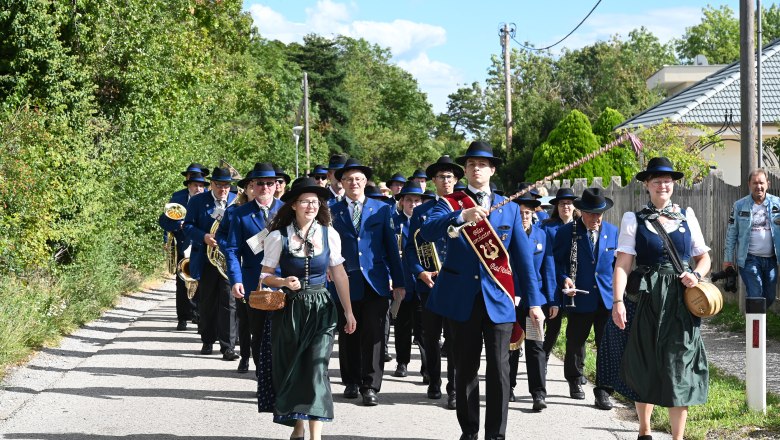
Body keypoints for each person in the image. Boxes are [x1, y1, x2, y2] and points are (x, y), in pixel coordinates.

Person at [420, 141, 542, 440]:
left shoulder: (510, 208)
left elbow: (524, 260)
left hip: (499, 299)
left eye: (483, 164)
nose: (477, 169)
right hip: (461, 300)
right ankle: (470, 432)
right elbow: (426, 233)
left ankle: (496, 435)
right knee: (465, 369)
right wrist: (462, 217)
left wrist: (534, 303)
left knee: (500, 370)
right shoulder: (450, 203)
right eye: (472, 164)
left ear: (492, 170)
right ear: (466, 170)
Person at [610, 157, 711, 440]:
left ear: (673, 185)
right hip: (647, 300)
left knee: (681, 360)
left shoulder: (687, 216)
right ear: (647, 185)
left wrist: (697, 276)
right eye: (657, 180)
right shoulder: (634, 219)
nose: (663, 185)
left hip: (681, 301)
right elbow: (623, 264)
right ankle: (645, 429)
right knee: (646, 360)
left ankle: (678, 437)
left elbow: (703, 258)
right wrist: (618, 301)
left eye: (668, 180)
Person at [260, 176, 357, 440]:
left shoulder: (329, 234)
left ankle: (316, 435)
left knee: (316, 367)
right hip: (289, 310)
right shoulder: (278, 237)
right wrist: (282, 281)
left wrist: (348, 311)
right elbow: (265, 276)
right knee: (293, 367)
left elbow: (339, 275)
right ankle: (298, 425)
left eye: (315, 202)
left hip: (321, 308)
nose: (311, 206)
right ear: (293, 205)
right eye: (305, 201)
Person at [330, 158, 406, 406]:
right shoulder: (332, 210)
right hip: (345, 281)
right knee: (348, 330)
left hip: (376, 280)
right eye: (349, 179)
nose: (354, 183)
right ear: (341, 182)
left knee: (374, 334)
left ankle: (370, 385)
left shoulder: (381, 208)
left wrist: (399, 281)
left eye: (359, 179)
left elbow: (391, 248)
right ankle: (351, 380)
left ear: (365, 182)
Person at [552, 188, 618, 411]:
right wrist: (564, 280)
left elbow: (619, 266)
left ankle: (604, 391)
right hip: (579, 297)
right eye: (591, 214)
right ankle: (575, 379)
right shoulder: (566, 232)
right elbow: (557, 264)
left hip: (606, 298)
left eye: (599, 213)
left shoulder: (613, 232)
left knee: (606, 346)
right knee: (575, 342)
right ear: (581, 212)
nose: (596, 218)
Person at [406, 155, 462, 409]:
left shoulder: (464, 207)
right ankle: (434, 382)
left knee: (453, 338)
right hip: (428, 283)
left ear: (457, 180)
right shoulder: (421, 212)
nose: (446, 181)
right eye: (441, 177)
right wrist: (420, 272)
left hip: (455, 284)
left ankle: (453, 388)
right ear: (433, 181)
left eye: (450, 176)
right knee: (431, 336)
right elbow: (410, 248)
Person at [223, 162, 282, 374]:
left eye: (269, 183)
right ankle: (262, 375)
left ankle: (279, 377)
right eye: (260, 183)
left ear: (276, 185)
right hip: (252, 282)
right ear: (252, 186)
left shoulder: (288, 210)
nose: (264, 187)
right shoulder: (240, 214)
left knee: (281, 333)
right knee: (257, 333)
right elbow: (231, 250)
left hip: (283, 280)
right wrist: (235, 279)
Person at [183, 166, 239, 359]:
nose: (223, 189)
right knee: (207, 300)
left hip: (227, 259)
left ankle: (228, 346)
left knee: (228, 301)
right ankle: (207, 339)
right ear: (212, 185)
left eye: (226, 186)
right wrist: (203, 236)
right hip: (206, 258)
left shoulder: (236, 201)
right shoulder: (199, 201)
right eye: (219, 185)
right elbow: (187, 226)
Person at [508, 192, 556, 411]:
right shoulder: (506, 235)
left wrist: (552, 299)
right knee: (510, 346)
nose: (524, 216)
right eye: (520, 213)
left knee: (536, 347)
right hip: (510, 298)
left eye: (528, 213)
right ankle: (507, 387)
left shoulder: (541, 235)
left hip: (534, 300)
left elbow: (548, 269)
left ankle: (538, 394)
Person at [158, 168, 209, 330]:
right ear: (188, 186)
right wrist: (177, 225)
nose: (198, 189)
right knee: (182, 283)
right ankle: (183, 317)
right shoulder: (178, 198)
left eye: (201, 186)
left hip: (202, 246)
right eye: (195, 185)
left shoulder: (209, 199)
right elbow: (163, 221)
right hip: (184, 245)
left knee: (202, 283)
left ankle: (200, 316)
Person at [724, 168, 780, 309]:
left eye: (761, 182)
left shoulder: (777, 204)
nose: (758, 186)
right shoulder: (739, 205)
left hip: (772, 259)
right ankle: (756, 330)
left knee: (770, 297)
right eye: (754, 183)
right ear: (749, 184)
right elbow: (731, 234)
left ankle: (758, 326)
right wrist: (728, 260)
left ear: (768, 183)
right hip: (749, 259)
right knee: (755, 295)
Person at [391, 181, 431, 379]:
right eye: (409, 200)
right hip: (402, 281)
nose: (413, 204)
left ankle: (426, 367)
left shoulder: (427, 222)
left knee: (424, 327)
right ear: (402, 202)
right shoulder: (393, 222)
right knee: (402, 325)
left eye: (417, 200)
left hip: (423, 282)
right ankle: (402, 362)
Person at [539, 188, 579, 361]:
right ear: (556, 206)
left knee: (577, 326)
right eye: (562, 203)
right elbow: (546, 259)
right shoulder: (547, 227)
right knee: (553, 324)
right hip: (552, 280)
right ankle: (544, 357)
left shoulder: (580, 225)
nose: (566, 207)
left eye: (569, 204)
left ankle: (577, 365)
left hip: (575, 281)